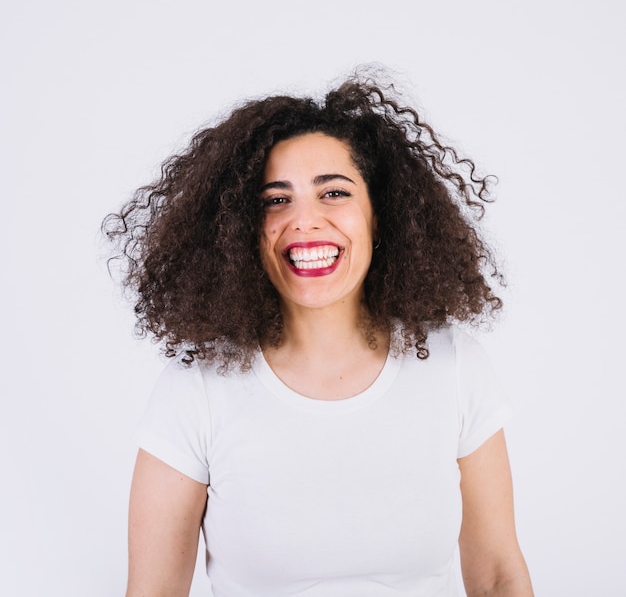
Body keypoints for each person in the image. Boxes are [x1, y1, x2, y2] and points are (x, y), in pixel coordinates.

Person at [104, 70, 534, 597]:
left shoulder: (455, 366)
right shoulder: (197, 388)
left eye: (333, 192)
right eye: (275, 200)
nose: (304, 222)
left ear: (382, 216)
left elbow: (496, 578)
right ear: (243, 229)